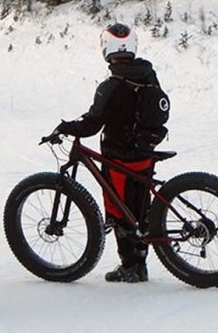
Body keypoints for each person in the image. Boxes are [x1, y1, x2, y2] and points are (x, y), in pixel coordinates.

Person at [53, 23, 165, 283]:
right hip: (144, 154)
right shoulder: (148, 75)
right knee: (138, 210)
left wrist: (67, 127)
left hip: (118, 158)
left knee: (119, 212)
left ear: (106, 48)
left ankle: (130, 267)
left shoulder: (111, 85)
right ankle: (140, 264)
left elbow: (92, 124)